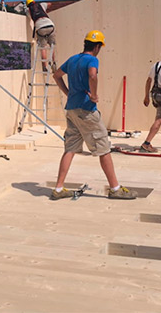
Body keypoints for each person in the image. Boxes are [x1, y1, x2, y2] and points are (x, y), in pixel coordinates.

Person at [50, 30, 137, 200]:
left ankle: (58, 189)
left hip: (72, 110)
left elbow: (56, 75)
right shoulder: (92, 60)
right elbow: (92, 75)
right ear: (97, 46)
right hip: (87, 110)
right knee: (103, 148)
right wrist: (94, 94)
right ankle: (115, 188)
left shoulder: (73, 59)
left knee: (70, 148)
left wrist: (68, 93)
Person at [26, 0, 56, 72]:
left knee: (43, 48)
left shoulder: (28, 10)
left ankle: (44, 66)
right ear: (34, 2)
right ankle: (54, 64)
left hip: (40, 27)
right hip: (50, 25)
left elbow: (29, 17)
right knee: (52, 45)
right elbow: (49, 3)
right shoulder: (41, 5)